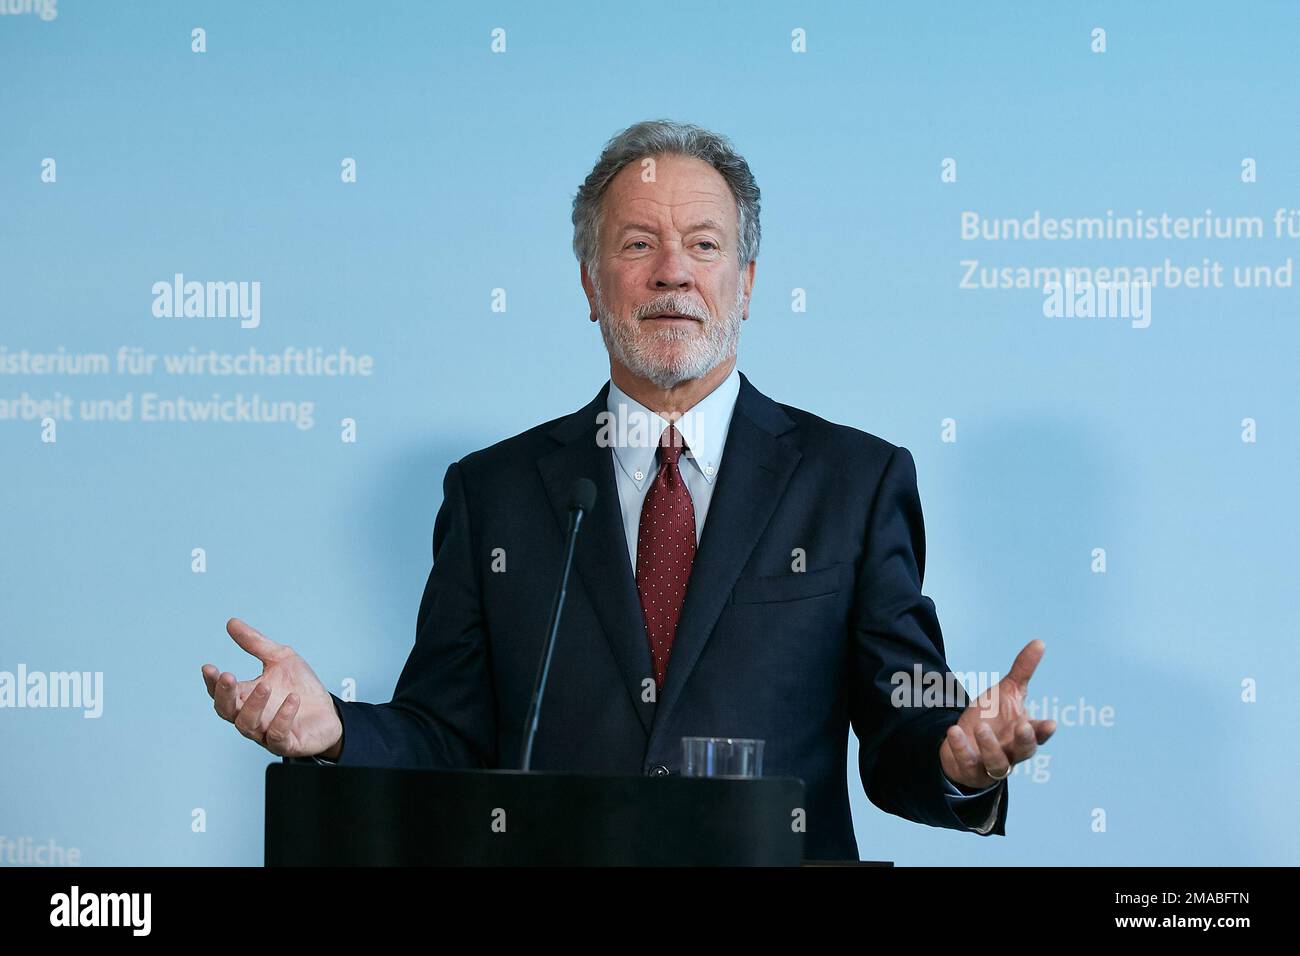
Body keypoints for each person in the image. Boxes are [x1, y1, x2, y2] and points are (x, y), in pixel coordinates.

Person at [201, 119, 1055, 860]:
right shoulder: (492, 493)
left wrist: (957, 757)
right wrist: (340, 732)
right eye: (638, 244)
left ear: (747, 285)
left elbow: (901, 717)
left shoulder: (854, 481)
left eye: (706, 246)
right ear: (590, 282)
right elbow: (447, 736)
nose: (672, 273)